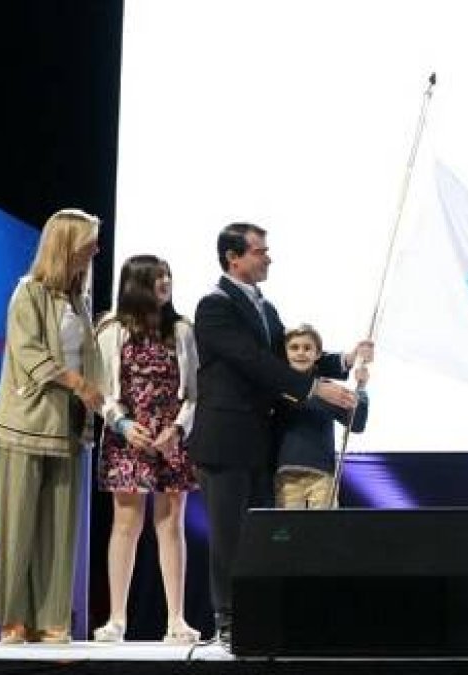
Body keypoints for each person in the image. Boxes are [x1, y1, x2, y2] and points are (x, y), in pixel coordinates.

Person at [190, 222, 371, 644]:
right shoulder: (214, 307)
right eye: (259, 251)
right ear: (234, 258)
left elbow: (287, 358)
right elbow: (252, 360)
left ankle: (257, 612)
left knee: (260, 535)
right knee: (229, 533)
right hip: (224, 440)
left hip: (259, 443)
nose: (267, 257)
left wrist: (343, 360)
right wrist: (312, 388)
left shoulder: (265, 309)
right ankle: (228, 618)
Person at [0, 208, 104, 644]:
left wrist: (99, 399)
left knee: (60, 525)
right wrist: (77, 384)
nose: (95, 250)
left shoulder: (79, 300)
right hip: (25, 422)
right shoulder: (28, 293)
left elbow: (90, 359)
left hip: (69, 425)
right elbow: (29, 352)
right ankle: (12, 617)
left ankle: (52, 616)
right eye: (89, 241)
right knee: (17, 524)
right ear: (66, 243)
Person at [93, 256, 200, 644]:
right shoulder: (112, 328)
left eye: (168, 275)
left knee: (171, 524)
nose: (165, 282)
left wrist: (177, 428)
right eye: (157, 278)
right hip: (129, 435)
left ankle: (176, 619)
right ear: (136, 283)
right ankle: (116, 618)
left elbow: (193, 392)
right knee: (126, 523)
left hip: (171, 436)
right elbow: (102, 388)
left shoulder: (181, 329)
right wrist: (121, 423)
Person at [275, 324, 369, 509]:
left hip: (321, 475)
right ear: (285, 352)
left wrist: (362, 387)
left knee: (323, 531)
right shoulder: (277, 385)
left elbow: (356, 422)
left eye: (307, 348)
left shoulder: (328, 389)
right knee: (290, 532)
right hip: (286, 475)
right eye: (294, 347)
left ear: (318, 354)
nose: (300, 353)